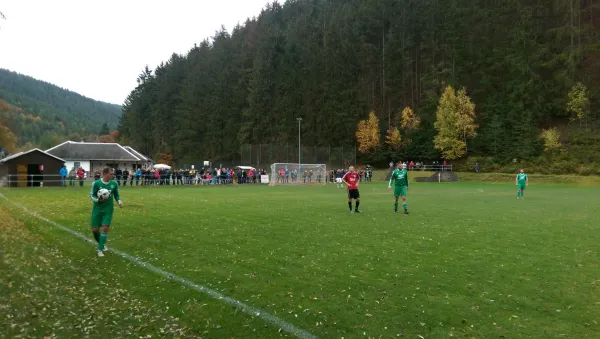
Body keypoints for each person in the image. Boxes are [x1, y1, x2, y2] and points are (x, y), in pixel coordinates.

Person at [89, 167, 122, 257]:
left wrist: (119, 201)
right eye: (111, 174)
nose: (113, 175)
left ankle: (99, 249)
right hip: (97, 209)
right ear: (105, 174)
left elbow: (116, 194)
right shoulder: (96, 183)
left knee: (105, 228)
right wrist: (97, 200)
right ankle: (102, 244)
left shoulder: (114, 183)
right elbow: (91, 195)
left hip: (108, 209)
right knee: (95, 230)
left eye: (113, 174)